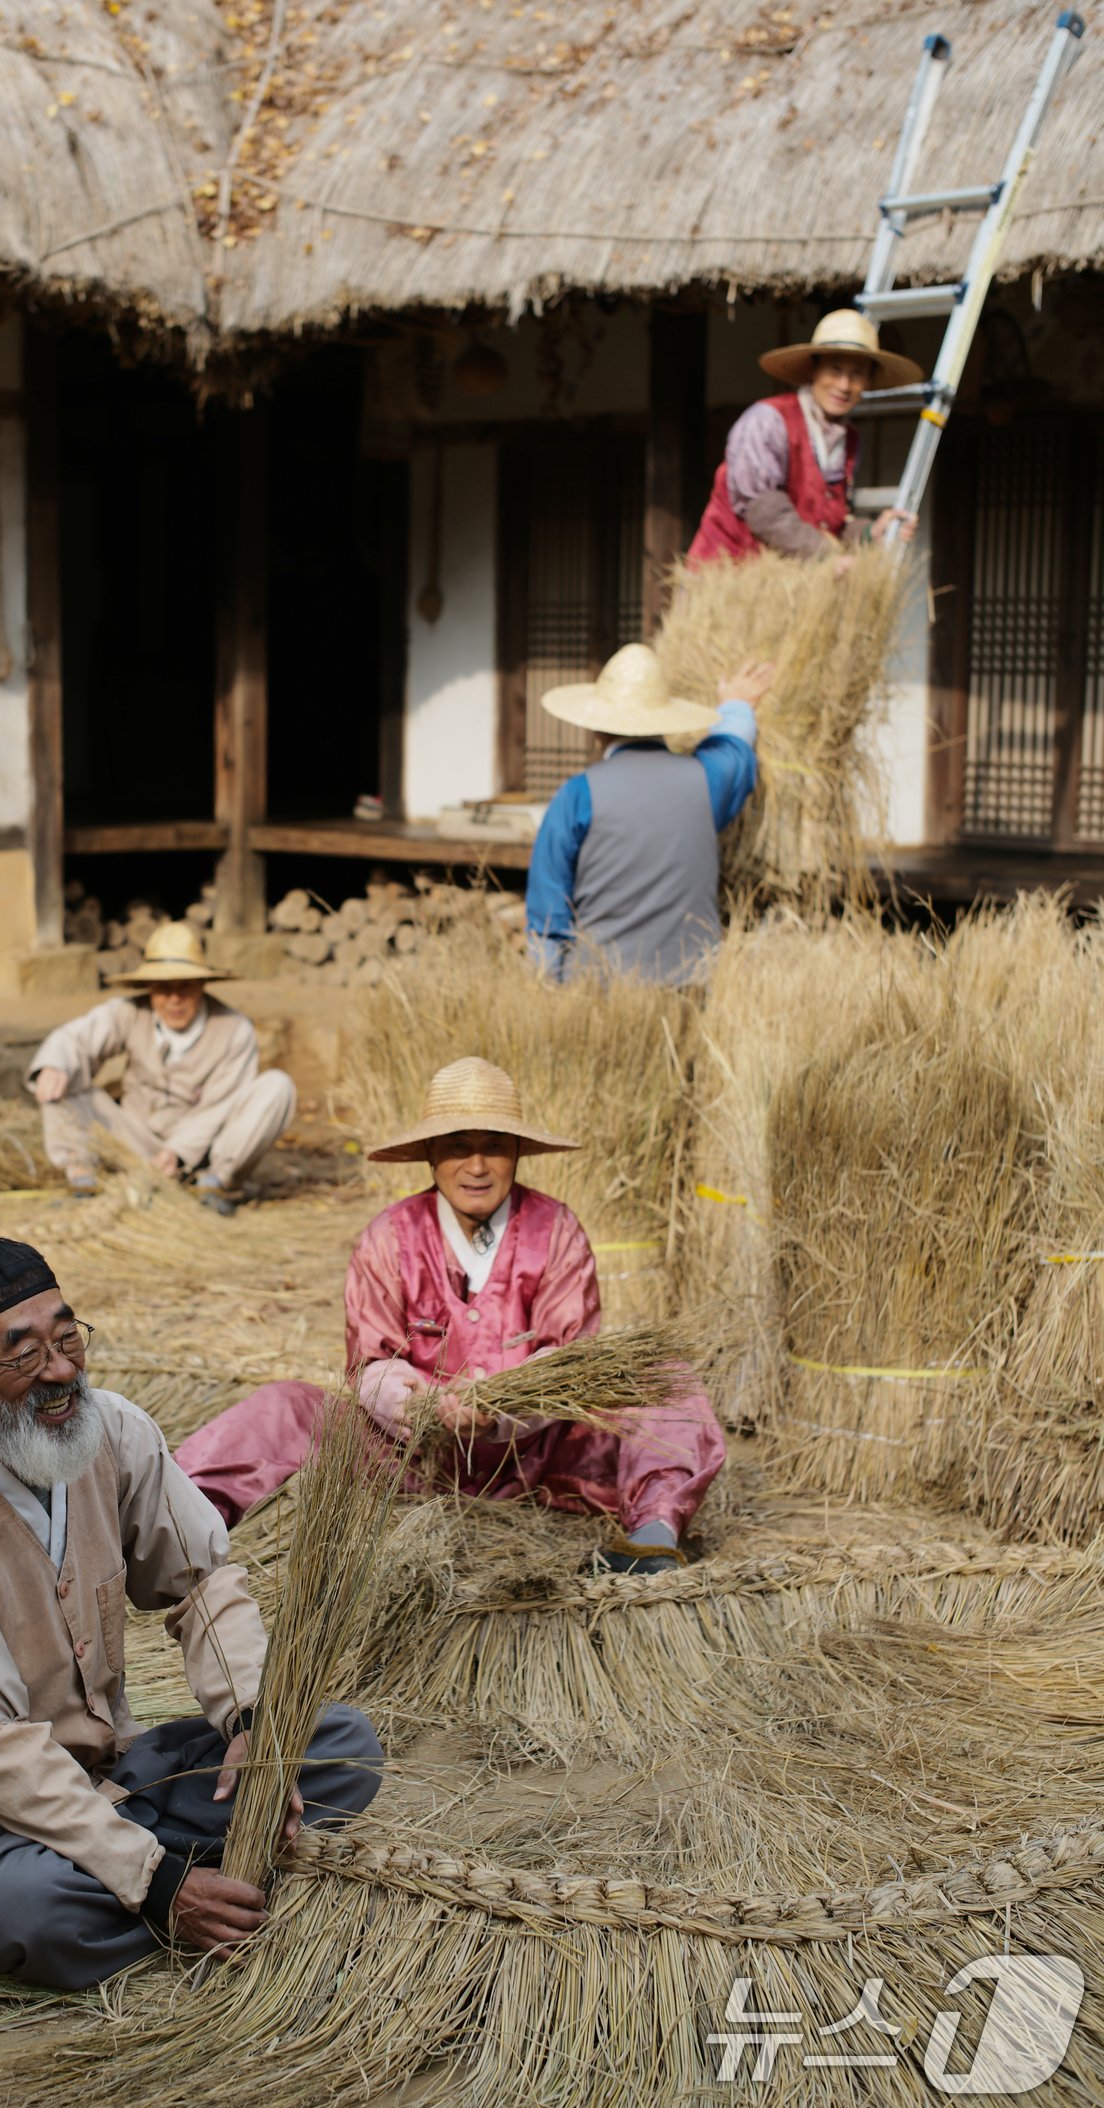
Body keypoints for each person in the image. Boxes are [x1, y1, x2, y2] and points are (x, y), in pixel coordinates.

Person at [0, 1216, 382, 1990]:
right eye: (22, 1352)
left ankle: (143, 1872)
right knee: (33, 1912)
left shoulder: (117, 1433)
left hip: (119, 1776)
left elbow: (202, 1582)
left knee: (344, 1743)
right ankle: (162, 1881)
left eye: (68, 1339)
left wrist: (251, 1725)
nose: (58, 1372)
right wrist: (162, 1886)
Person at [176, 1058, 724, 1572]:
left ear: (518, 1152)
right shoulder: (389, 1237)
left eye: (495, 1146)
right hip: (409, 1458)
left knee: (665, 1380)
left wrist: (501, 1409)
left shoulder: (556, 1231)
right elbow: (372, 1361)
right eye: (458, 1146)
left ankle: (652, 1540)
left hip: (539, 1452)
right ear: (431, 1154)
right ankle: (178, 1521)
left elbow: (570, 1354)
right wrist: (422, 1407)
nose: (478, 1166)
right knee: (286, 1407)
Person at [524, 644, 773, 985]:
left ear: (596, 728)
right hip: (690, 989)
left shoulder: (577, 796)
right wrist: (738, 704)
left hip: (596, 994)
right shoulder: (706, 781)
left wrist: (547, 988)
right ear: (666, 721)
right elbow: (734, 746)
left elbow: (547, 918)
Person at [27, 919, 296, 1212]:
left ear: (203, 985)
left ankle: (214, 1185)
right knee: (61, 1077)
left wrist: (178, 1152)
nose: (174, 999)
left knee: (277, 1087)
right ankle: (84, 1180)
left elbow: (220, 1106)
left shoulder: (233, 1029)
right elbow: (75, 1038)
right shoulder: (128, 1012)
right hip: (133, 1143)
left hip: (202, 1152)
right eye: (164, 988)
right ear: (149, 988)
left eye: (186, 987)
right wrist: (56, 1067)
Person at [688, 309, 923, 566]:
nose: (844, 385)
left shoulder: (849, 441)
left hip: (789, 590)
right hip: (727, 582)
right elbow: (763, 513)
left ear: (868, 382)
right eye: (835, 370)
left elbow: (827, 522)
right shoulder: (768, 421)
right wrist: (828, 557)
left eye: (857, 374)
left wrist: (871, 533)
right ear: (814, 370)